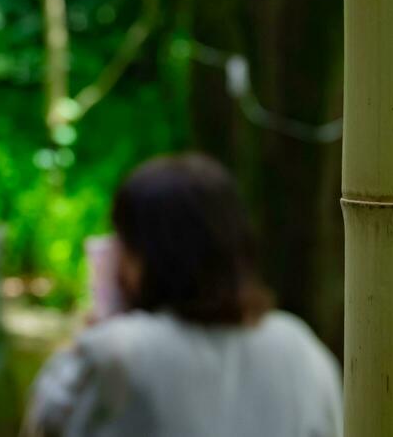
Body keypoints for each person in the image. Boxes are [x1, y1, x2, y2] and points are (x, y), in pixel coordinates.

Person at [24, 154, 342, 437]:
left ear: (142, 255)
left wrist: (97, 333)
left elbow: (45, 422)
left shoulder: (118, 351)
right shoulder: (299, 344)